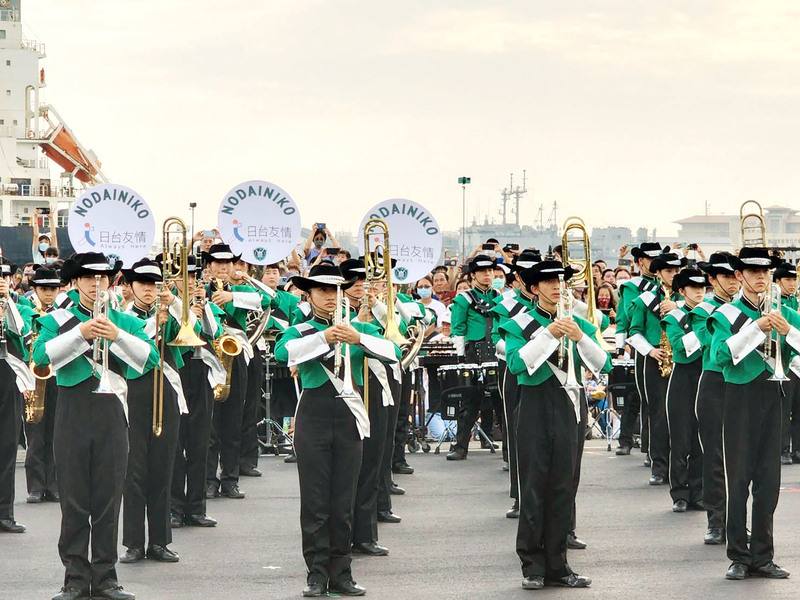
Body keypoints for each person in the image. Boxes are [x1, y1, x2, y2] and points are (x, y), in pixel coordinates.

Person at [33, 252, 158, 600]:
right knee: (74, 500)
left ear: (111, 281)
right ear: (76, 281)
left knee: (108, 498)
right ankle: (74, 577)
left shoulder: (125, 320)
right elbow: (40, 357)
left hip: (112, 412)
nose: (95, 283)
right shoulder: (59, 318)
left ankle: (105, 577)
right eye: (88, 277)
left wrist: (116, 335)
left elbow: (152, 359)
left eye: (102, 277)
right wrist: (81, 334)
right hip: (72, 410)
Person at [274, 262, 399, 597]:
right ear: (310, 294)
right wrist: (324, 337)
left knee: (344, 499)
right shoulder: (300, 330)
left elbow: (394, 351)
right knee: (315, 501)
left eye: (335, 290)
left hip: (348, 417)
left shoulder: (356, 328)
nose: (330, 297)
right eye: (323, 291)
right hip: (313, 416)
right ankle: (316, 574)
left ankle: (341, 572)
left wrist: (358, 337)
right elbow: (282, 352)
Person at [501, 259, 610, 590]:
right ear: (535, 288)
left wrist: (579, 338)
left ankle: (559, 565)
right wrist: (549, 334)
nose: (557, 287)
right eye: (549, 282)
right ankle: (532, 564)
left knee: (564, 486)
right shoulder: (519, 323)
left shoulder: (576, 321)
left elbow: (603, 363)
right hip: (534, 405)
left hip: (569, 405)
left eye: (561, 281)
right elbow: (518, 364)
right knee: (534, 486)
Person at [708, 247, 799, 581]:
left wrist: (786, 330)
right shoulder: (727, 314)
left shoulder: (784, 310)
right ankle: (738, 555)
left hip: (773, 395)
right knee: (740, 478)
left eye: (765, 273)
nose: (761, 277)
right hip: (739, 398)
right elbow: (720, 355)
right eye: (753, 272)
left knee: (768, 483)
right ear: (739, 276)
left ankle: (763, 555)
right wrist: (758, 327)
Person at [118, 258, 188, 565]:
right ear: (132, 287)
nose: (149, 290)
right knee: (134, 470)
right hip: (134, 390)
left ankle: (160, 541)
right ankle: (134, 542)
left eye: (155, 284)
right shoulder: (121, 318)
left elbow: (193, 332)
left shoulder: (169, 312)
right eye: (144, 284)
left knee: (163, 467)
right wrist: (152, 325)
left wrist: (172, 303)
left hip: (166, 390)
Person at [204, 244, 271, 499]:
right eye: (218, 263)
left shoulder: (242, 290)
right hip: (210, 356)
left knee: (233, 420)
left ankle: (230, 478)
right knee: (210, 423)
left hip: (235, 355)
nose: (223, 267)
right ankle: (209, 479)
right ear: (209, 266)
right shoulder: (201, 290)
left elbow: (267, 299)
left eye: (228, 263)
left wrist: (232, 297)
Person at [171, 255, 224, 529]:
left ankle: (197, 507)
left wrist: (202, 312)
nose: (189, 282)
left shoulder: (206, 306)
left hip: (200, 371)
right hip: (176, 371)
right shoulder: (168, 305)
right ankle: (175, 508)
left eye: (192, 278)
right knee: (175, 442)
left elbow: (214, 333)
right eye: (184, 277)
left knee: (199, 441)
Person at [691, 252, 740, 545]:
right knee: (714, 456)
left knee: (741, 459)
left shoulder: (747, 307)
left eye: (736, 276)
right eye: (726, 276)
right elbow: (712, 344)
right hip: (715, 381)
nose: (733, 281)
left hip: (744, 384)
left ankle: (737, 523)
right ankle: (716, 521)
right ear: (712, 279)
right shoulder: (703, 309)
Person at [627, 250, 684, 485]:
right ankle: (659, 466)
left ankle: (682, 466)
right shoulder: (644, 300)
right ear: (658, 274)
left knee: (681, 415)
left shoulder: (687, 300)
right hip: (655, 359)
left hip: (680, 359)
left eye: (676, 271)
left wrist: (678, 309)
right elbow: (634, 331)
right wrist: (650, 351)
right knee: (658, 413)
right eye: (668, 271)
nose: (673, 275)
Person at [490, 250, 540, 519]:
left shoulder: (552, 304)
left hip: (547, 373)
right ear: (517, 277)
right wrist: (518, 349)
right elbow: (497, 340)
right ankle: (520, 496)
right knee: (517, 432)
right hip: (515, 368)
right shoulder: (507, 305)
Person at [447, 255, 501, 460]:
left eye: (490, 271)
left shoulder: (499, 296)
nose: (487, 275)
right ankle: (461, 446)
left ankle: (510, 451)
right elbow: (458, 329)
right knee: (470, 401)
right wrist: (461, 358)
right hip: (473, 352)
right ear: (473, 275)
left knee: (501, 401)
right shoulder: (464, 299)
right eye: (483, 272)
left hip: (496, 350)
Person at [662, 268, 707, 512]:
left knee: (701, 438)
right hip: (682, 377)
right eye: (694, 287)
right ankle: (679, 492)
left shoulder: (710, 312)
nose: (700, 291)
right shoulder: (674, 317)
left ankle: (698, 492)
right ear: (682, 291)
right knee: (680, 438)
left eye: (702, 287)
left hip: (705, 374)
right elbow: (680, 348)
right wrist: (703, 331)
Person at [614, 242, 664, 459]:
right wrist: (620, 346)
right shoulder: (632, 287)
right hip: (643, 346)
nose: (654, 263)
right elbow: (626, 315)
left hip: (667, 346)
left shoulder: (668, 283)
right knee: (639, 395)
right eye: (650, 259)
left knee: (663, 400)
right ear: (641, 262)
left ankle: (656, 447)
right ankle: (628, 440)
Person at [0, 258, 34, 535]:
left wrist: (7, 303)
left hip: (8, 381)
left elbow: (23, 331)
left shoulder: (20, 305)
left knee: (7, 446)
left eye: (5, 277)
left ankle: (5, 513)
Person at [24, 267, 62, 505]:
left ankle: (54, 484)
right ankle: (36, 486)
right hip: (34, 377)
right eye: (44, 289)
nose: (49, 294)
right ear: (35, 289)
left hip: (57, 375)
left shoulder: (62, 314)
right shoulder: (27, 312)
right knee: (35, 433)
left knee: (56, 432)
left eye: (53, 289)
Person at [773, 263, 800, 464]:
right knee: (785, 408)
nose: (792, 284)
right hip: (787, 361)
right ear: (778, 281)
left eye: (794, 280)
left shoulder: (797, 301)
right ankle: (782, 449)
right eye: (788, 280)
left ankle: (798, 449)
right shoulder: (775, 304)